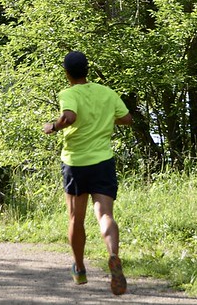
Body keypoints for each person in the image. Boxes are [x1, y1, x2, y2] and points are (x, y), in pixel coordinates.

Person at [43, 50, 133, 296]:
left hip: (76, 162)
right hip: (102, 161)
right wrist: (102, 118)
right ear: (87, 69)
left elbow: (69, 117)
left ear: (66, 73)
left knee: (76, 219)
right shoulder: (107, 93)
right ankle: (113, 255)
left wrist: (53, 126)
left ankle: (80, 268)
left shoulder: (69, 93)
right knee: (105, 214)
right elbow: (126, 118)